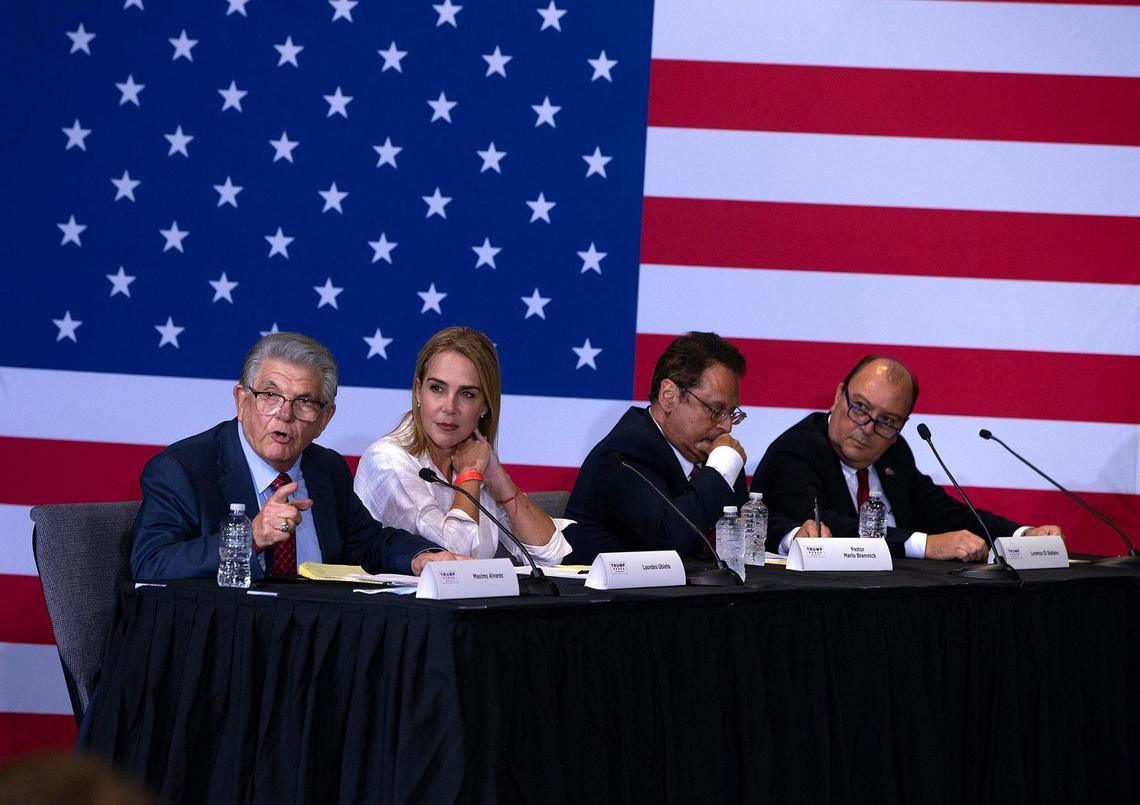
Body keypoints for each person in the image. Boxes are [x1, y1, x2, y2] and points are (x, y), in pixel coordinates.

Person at [130, 332, 463, 580]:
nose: (284, 414)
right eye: (270, 396)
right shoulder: (183, 470)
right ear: (241, 402)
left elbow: (371, 544)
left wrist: (421, 558)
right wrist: (251, 537)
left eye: (304, 402)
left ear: (325, 418)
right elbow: (151, 563)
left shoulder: (326, 469)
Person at [752, 355, 1061, 561]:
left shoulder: (895, 451)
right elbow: (826, 529)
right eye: (860, 407)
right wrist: (927, 545)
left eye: (887, 420)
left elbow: (943, 512)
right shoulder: (796, 451)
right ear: (838, 396)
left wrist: (1022, 535)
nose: (868, 428)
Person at [563, 331, 825, 564]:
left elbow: (738, 525)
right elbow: (674, 536)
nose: (726, 427)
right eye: (716, 410)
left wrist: (791, 537)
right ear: (669, 396)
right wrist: (721, 466)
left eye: (731, 413)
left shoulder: (709, 455)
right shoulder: (625, 453)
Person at [354, 327, 573, 565]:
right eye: (437, 388)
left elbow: (551, 555)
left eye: (467, 394)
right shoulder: (387, 459)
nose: (449, 407)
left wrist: (497, 477)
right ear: (418, 391)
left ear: (485, 406)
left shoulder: (471, 455)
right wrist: (470, 475)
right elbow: (452, 557)